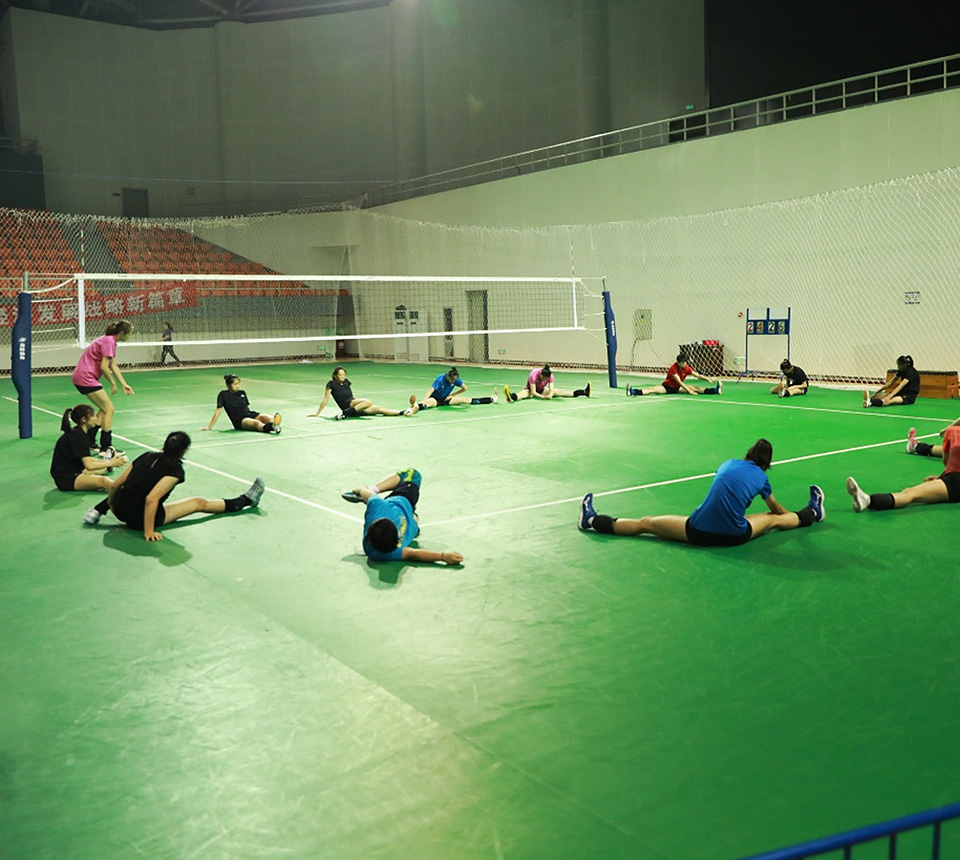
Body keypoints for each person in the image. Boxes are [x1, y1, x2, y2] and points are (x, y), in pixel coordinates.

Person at [577, 438, 824, 546]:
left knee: (646, 523)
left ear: (748, 453)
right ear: (766, 463)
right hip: (734, 536)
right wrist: (782, 514)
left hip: (697, 532)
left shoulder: (728, 464)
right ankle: (812, 512)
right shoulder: (762, 478)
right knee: (773, 519)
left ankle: (591, 521)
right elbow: (776, 509)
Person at [88, 430, 264, 540]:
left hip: (119, 510)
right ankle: (246, 500)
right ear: (184, 450)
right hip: (138, 520)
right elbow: (151, 499)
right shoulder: (175, 471)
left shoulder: (146, 456)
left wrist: (111, 505)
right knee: (198, 503)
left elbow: (116, 485)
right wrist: (149, 531)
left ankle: (97, 510)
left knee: (135, 486)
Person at [341, 468, 463, 564]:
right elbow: (413, 554)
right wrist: (361, 489)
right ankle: (374, 489)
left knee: (414, 517)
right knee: (412, 474)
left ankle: (410, 514)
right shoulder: (379, 508)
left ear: (369, 539)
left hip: (411, 525)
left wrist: (443, 556)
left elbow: (412, 553)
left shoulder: (375, 552)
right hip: (403, 500)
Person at [847, 425, 960, 513]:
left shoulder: (953, 432)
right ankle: (868, 500)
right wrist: (940, 478)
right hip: (955, 482)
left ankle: (867, 500)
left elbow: (947, 463)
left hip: (955, 482)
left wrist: (943, 478)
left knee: (910, 493)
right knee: (910, 493)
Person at [71, 319, 135, 453]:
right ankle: (106, 447)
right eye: (129, 333)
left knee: (104, 408)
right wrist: (113, 384)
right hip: (86, 377)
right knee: (109, 409)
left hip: (83, 376)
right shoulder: (109, 342)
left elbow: (113, 365)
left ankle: (89, 441)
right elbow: (104, 367)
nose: (130, 336)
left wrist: (124, 384)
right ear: (122, 333)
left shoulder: (110, 342)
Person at [51, 404, 128, 495]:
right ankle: (125, 492)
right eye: (93, 416)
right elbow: (89, 465)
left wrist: (108, 462)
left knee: (101, 469)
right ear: (84, 419)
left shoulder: (77, 432)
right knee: (103, 481)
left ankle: (107, 468)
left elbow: (88, 459)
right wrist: (112, 463)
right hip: (67, 480)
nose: (96, 418)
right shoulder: (79, 437)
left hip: (70, 473)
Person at [309, 366, 418, 419]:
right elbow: (325, 399)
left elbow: (350, 395)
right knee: (369, 402)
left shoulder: (346, 382)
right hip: (347, 405)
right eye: (340, 375)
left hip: (354, 406)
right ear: (335, 375)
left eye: (344, 375)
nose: (343, 377)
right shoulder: (331, 384)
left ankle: (402, 412)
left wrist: (359, 405)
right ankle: (345, 413)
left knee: (380, 409)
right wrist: (317, 413)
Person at [203, 374, 282, 434]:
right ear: (228, 385)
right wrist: (209, 427)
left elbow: (245, 408)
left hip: (249, 414)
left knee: (267, 417)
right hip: (240, 421)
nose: (237, 386)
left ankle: (274, 425)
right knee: (256, 423)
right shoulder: (223, 395)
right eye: (235, 384)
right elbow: (218, 411)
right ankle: (272, 427)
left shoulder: (242, 393)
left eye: (238, 384)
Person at [625, 352, 722, 397]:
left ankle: (715, 390)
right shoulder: (673, 368)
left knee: (696, 388)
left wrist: (708, 379)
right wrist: (689, 391)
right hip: (667, 387)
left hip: (677, 388)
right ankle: (632, 392)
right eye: (683, 362)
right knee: (652, 389)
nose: (685, 364)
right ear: (678, 362)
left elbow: (697, 375)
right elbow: (679, 382)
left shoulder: (687, 368)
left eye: (685, 362)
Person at [418, 367, 498, 409]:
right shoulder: (440, 379)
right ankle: (412, 409)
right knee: (426, 404)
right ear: (448, 376)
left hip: (446, 398)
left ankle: (492, 399)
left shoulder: (455, 380)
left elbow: (464, 388)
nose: (453, 381)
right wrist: (425, 400)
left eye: (455, 380)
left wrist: (453, 395)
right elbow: (430, 390)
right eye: (452, 380)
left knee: (467, 400)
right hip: (435, 399)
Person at [502, 365, 591, 402]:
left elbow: (551, 389)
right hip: (530, 390)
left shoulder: (550, 375)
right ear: (541, 374)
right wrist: (543, 397)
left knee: (560, 392)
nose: (545, 380)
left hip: (542, 390)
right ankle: (511, 396)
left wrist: (550, 394)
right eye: (544, 378)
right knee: (523, 394)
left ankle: (583, 392)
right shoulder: (533, 374)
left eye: (546, 379)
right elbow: (533, 392)